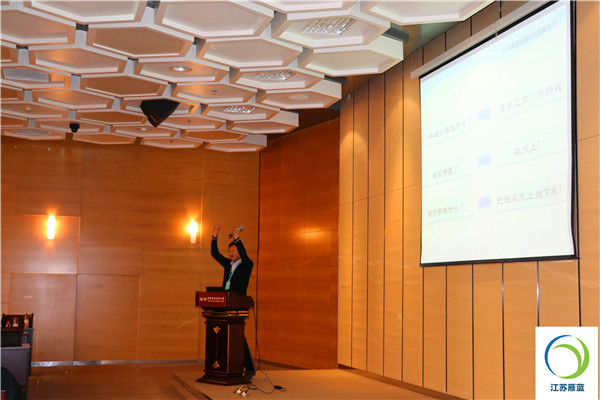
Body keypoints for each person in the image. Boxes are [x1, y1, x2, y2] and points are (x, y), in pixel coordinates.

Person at [211, 225, 256, 381]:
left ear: (239, 252)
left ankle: (249, 368)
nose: (231, 253)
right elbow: (214, 253)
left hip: (238, 305)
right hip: (225, 304)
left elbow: (244, 252)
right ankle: (228, 366)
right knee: (226, 336)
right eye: (230, 251)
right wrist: (214, 235)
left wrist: (237, 238)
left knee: (238, 338)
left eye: (234, 251)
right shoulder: (228, 265)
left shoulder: (247, 265)